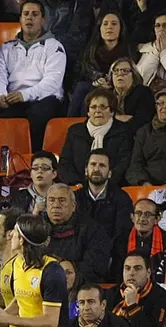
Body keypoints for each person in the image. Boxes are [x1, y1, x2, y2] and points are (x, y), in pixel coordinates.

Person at [0, 0, 67, 152]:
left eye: (35, 14)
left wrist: (24, 95)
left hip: (44, 99)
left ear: (43, 20)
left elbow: (52, 83)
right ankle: (4, 157)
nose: (30, 18)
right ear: (20, 19)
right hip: (14, 99)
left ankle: (35, 158)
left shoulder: (54, 46)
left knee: (40, 113)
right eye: (26, 14)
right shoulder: (7, 47)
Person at [74, 149, 134, 280]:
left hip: (110, 261)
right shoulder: (74, 198)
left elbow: (121, 236)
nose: (96, 169)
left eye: (102, 165)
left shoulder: (122, 198)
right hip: (79, 260)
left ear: (110, 172)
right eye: (93, 164)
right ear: (86, 170)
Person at [59, 88, 133, 187]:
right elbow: (65, 162)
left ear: (111, 111)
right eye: (93, 107)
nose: (98, 111)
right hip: (79, 186)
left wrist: (104, 184)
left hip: (113, 187)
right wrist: (76, 183)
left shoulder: (123, 131)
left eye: (103, 107)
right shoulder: (75, 131)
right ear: (88, 112)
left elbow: (124, 163)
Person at [67, 10, 135, 117]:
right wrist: (97, 82)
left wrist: (111, 84)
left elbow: (135, 77)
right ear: (99, 28)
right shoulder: (89, 51)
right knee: (83, 88)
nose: (109, 27)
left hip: (121, 90)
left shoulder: (130, 51)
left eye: (114, 24)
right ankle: (72, 126)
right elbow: (79, 76)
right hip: (92, 89)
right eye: (105, 24)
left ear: (121, 28)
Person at [44, 183, 111, 283]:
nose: (56, 205)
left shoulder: (92, 229)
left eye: (62, 200)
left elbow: (95, 267)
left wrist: (64, 273)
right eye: (51, 200)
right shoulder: (38, 228)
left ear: (73, 206)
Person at [107, 251, 166, 327]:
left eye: (137, 268)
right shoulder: (111, 294)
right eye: (127, 268)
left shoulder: (161, 297)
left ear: (148, 273)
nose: (131, 273)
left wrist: (132, 306)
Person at [126, 87, 166, 187]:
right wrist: (144, 183)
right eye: (160, 103)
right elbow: (135, 165)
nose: (164, 106)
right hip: (150, 187)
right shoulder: (144, 132)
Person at [109, 57, 157, 133]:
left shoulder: (143, 92)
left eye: (125, 71)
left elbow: (143, 121)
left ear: (133, 76)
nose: (120, 74)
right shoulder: (106, 95)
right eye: (116, 71)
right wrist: (125, 118)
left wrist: (112, 119)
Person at [136, 10, 166, 94]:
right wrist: (156, 52)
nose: (161, 29)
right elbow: (138, 79)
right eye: (157, 26)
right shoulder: (144, 49)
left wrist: (164, 52)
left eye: (165, 25)